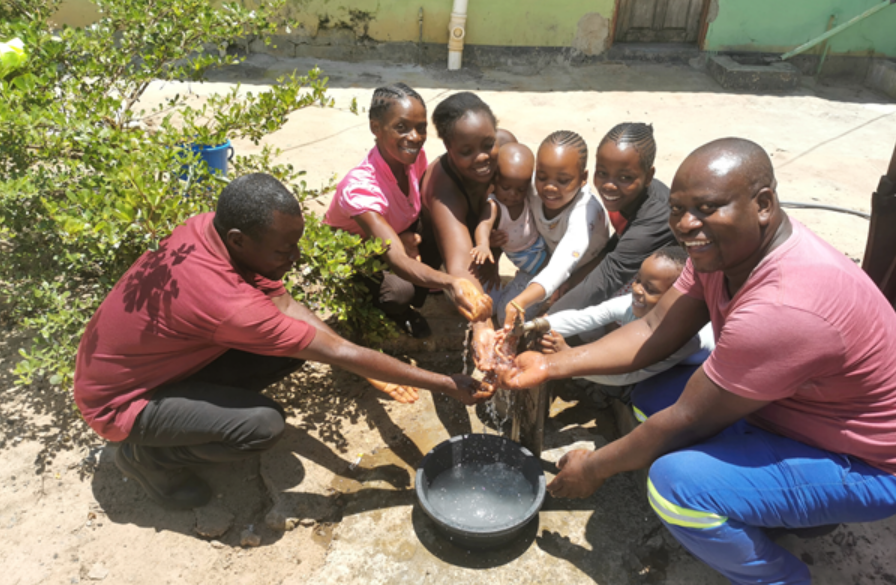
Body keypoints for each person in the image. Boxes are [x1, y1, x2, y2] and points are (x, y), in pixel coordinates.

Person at [498, 138, 896, 584]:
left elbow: (689, 420)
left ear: (763, 203)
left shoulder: (783, 306)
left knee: (674, 485)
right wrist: (552, 365)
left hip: (868, 462)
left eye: (707, 207)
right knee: (651, 397)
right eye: (678, 209)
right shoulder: (725, 252)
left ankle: (779, 577)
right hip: (798, 413)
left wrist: (592, 468)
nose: (686, 225)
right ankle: (774, 509)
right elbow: (652, 331)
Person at [74, 173, 490, 510]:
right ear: (239, 239)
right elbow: (334, 350)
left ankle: (183, 423)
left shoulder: (209, 230)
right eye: (283, 249)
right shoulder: (226, 303)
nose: (293, 258)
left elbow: (285, 305)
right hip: (120, 402)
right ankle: (146, 457)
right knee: (261, 425)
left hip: (155, 364)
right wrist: (446, 384)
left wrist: (363, 365)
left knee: (291, 352)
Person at [325, 83, 474, 339]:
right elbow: (397, 260)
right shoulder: (361, 189)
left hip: (393, 234)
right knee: (399, 293)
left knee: (449, 215)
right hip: (356, 256)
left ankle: (425, 286)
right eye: (401, 127)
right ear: (376, 128)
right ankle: (397, 312)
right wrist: (451, 281)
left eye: (421, 127)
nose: (415, 137)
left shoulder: (412, 158)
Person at [507, 124, 676, 328]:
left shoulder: (656, 217)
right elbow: (619, 244)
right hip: (629, 264)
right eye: (603, 173)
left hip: (674, 290)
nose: (609, 185)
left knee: (601, 324)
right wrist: (576, 278)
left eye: (625, 178)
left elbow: (610, 274)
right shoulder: (628, 197)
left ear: (648, 176)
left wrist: (544, 323)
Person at [539, 245, 713, 391]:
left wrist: (567, 358)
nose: (637, 290)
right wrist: (535, 325)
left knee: (646, 397)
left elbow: (626, 376)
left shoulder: (684, 338)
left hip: (696, 368)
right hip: (658, 359)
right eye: (637, 280)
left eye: (650, 289)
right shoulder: (632, 303)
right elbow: (584, 317)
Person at [419, 92, 504, 368]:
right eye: (466, 152)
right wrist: (483, 324)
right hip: (441, 253)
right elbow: (458, 261)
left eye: (488, 144)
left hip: (481, 238)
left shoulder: (504, 151)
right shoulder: (443, 188)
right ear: (448, 146)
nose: (482, 158)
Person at [496, 130, 610, 326]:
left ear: (583, 178)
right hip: (544, 262)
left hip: (586, 272)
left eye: (563, 180)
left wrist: (522, 301)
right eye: (542, 176)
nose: (549, 187)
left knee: (574, 329)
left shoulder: (585, 212)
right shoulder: (530, 187)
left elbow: (562, 264)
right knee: (503, 316)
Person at [470, 142, 548, 289]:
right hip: (522, 256)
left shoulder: (527, 196)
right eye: (506, 188)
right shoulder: (494, 205)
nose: (513, 194)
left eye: (521, 189)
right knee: (546, 274)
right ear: (494, 180)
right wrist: (483, 244)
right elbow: (484, 225)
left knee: (554, 270)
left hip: (540, 246)